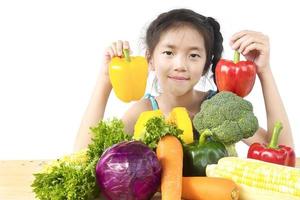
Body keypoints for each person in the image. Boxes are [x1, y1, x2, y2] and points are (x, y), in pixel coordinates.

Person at [73, 8, 294, 151]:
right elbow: (82, 157)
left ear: (207, 64)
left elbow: (284, 155)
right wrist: (105, 79)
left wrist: (264, 71)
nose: (180, 64)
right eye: (169, 52)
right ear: (150, 59)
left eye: (194, 55)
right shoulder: (143, 111)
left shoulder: (219, 109)